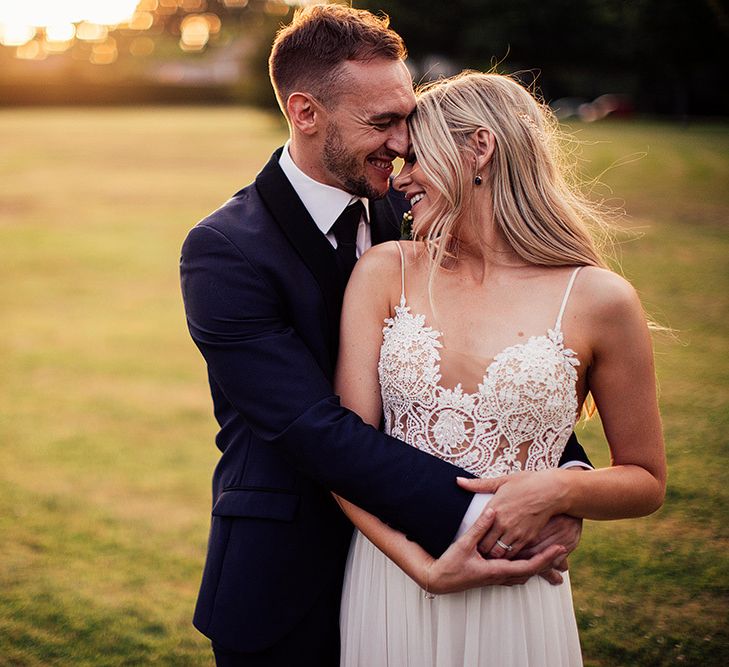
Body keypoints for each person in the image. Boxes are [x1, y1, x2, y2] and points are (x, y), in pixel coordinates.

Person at [180, 6, 591, 666]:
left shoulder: (416, 200)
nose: (404, 145)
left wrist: (557, 476)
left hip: (430, 574)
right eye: (383, 122)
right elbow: (311, 426)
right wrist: (487, 514)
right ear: (305, 112)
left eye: (407, 117)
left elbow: (489, 346)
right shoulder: (225, 248)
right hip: (288, 572)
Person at [335, 71, 667, 665]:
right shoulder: (388, 271)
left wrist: (560, 488)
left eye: (416, 159)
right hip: (389, 580)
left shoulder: (600, 300)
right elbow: (343, 453)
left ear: (478, 148)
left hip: (515, 594)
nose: (400, 178)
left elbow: (646, 481)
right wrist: (426, 568)